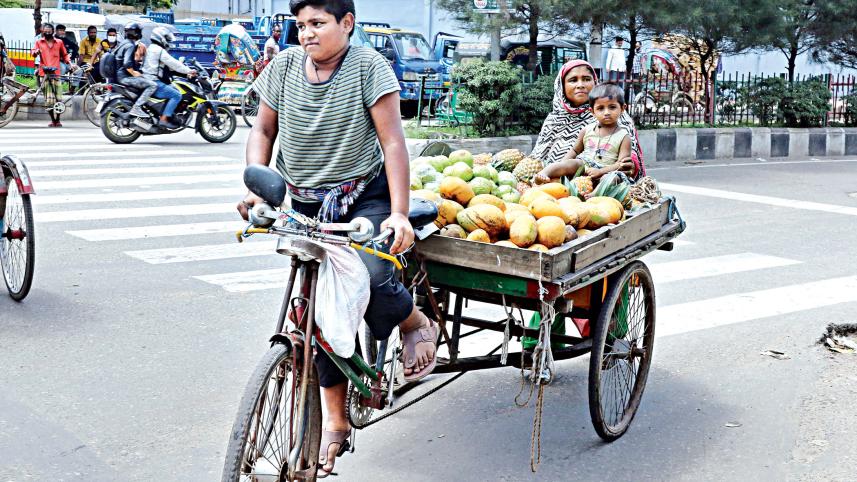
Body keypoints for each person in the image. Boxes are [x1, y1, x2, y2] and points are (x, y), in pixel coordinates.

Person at [236, 0, 439, 476]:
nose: (307, 33)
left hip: (363, 196)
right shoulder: (284, 65)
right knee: (317, 313)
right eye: (301, 25)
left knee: (365, 277)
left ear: (346, 24)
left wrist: (399, 214)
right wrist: (254, 183)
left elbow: (392, 142)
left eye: (318, 23)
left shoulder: (369, 66)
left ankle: (413, 322)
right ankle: (335, 419)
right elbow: (263, 128)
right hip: (305, 201)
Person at [530, 59, 645, 181]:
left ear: (594, 82)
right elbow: (536, 159)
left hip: (604, 184)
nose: (580, 85)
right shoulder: (553, 120)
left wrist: (630, 165)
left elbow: (629, 160)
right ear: (561, 86)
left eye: (586, 79)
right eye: (573, 80)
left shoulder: (619, 117)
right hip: (554, 187)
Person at [534, 83, 631, 184]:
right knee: (571, 163)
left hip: (608, 170)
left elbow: (622, 164)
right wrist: (563, 164)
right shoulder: (587, 130)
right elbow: (575, 151)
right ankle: (544, 173)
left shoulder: (624, 136)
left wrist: (600, 171)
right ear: (592, 111)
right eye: (600, 108)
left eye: (612, 107)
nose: (606, 112)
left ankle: (594, 195)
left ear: (623, 108)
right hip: (585, 165)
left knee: (612, 179)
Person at [142, 27, 197, 129]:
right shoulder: (159, 50)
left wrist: (184, 72)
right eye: (166, 38)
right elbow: (173, 63)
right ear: (160, 37)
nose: (168, 42)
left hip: (147, 79)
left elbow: (168, 67)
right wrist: (189, 70)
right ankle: (164, 119)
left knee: (173, 88)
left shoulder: (151, 48)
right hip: (154, 82)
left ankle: (169, 113)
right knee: (176, 95)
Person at [31, 23, 78, 127]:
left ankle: (58, 119)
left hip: (56, 73)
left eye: (49, 31)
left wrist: (70, 64)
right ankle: (53, 120)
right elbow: (33, 53)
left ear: (53, 32)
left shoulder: (59, 42)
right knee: (49, 99)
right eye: (45, 31)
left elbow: (65, 55)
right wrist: (36, 52)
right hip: (45, 74)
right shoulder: (39, 42)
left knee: (58, 98)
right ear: (43, 32)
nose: (47, 33)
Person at [115, 22, 156, 118]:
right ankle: (137, 107)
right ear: (136, 33)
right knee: (152, 85)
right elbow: (126, 63)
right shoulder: (130, 45)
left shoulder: (123, 43)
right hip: (125, 77)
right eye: (139, 31)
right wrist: (134, 73)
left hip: (119, 75)